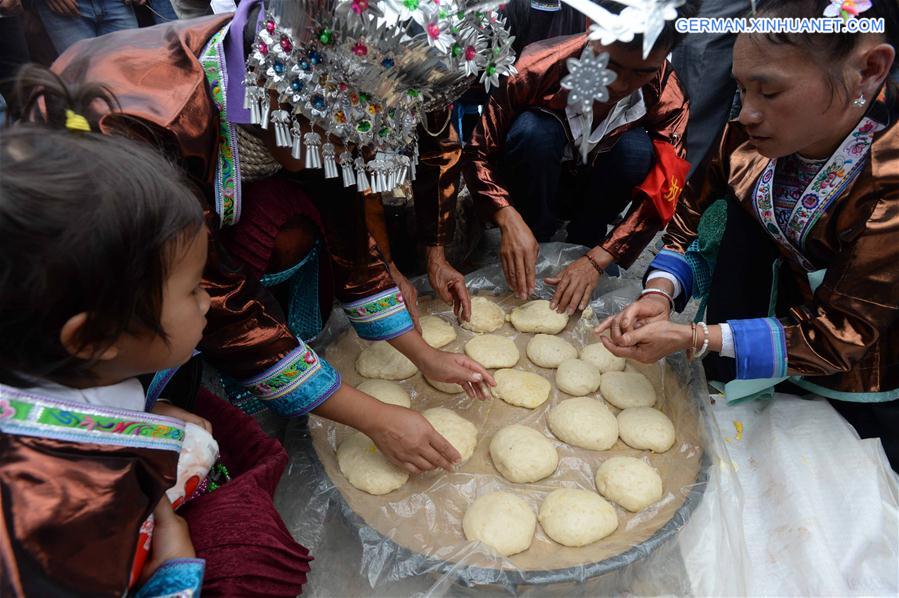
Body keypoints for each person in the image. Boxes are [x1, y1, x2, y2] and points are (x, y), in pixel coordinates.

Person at [51, 0, 506, 473]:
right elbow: (212, 291)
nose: (357, 154)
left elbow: (348, 238)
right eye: (350, 140)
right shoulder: (147, 121)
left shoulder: (310, 116)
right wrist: (372, 416)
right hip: (92, 272)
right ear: (289, 100)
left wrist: (425, 356)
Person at [0, 68, 313, 595]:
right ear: (95, 337)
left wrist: (142, 414)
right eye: (192, 289)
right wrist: (174, 572)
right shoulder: (56, 513)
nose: (210, 298)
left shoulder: (54, 367)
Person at [599, 0, 899, 471]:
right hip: (760, 322)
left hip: (855, 360)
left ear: (869, 70)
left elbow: (845, 334)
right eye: (741, 89)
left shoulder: (888, 183)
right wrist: (661, 293)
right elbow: (693, 219)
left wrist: (697, 337)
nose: (748, 113)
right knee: (737, 218)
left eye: (770, 92)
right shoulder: (747, 136)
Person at [462, 0, 698, 316]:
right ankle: (533, 239)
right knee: (532, 131)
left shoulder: (669, 96)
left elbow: (666, 187)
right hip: (538, 181)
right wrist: (506, 216)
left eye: (642, 72)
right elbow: (478, 151)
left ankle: (586, 242)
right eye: (609, 64)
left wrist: (600, 256)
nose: (620, 84)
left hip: (598, 189)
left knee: (637, 151)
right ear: (591, 31)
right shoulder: (537, 67)